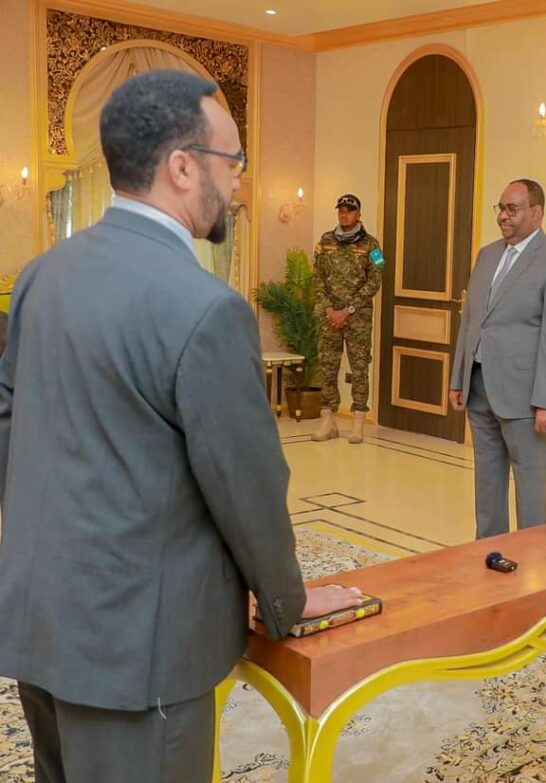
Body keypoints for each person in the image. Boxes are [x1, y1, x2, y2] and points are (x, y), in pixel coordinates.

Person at [0, 70, 362, 783]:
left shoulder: (43, 275)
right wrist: (285, 600)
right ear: (183, 167)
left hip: (41, 620)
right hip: (140, 650)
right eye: (233, 161)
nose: (239, 182)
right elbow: (247, 482)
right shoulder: (205, 307)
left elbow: (11, 424)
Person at [450, 179, 546, 539]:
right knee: (487, 477)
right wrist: (459, 378)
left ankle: (533, 555)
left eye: (513, 209)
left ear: (536, 213)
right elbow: (471, 319)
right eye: (501, 208)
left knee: (529, 482)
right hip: (479, 387)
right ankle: (489, 550)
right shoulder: (487, 255)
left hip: (526, 396)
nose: (503, 216)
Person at [311, 193, 383, 444]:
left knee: (359, 368)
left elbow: (375, 281)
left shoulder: (372, 245)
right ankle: (328, 422)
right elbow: (317, 277)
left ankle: (358, 424)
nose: (344, 215)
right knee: (327, 368)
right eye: (341, 210)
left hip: (357, 319)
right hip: (329, 318)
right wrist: (329, 309)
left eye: (349, 211)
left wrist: (348, 310)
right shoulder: (326, 241)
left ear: (358, 214)